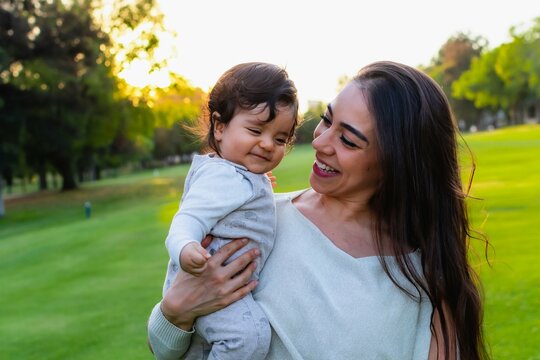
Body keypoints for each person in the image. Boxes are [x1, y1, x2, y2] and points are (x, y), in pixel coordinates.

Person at [148, 61, 489, 359]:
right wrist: (175, 313)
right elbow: (166, 347)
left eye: (348, 140)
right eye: (327, 121)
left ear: (396, 162)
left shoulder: (423, 280)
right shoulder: (254, 222)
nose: (320, 142)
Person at [156, 62, 299, 360]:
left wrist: (259, 188)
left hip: (219, 287)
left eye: (280, 139)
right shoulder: (224, 177)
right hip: (208, 278)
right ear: (220, 127)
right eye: (255, 130)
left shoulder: (238, 176)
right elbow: (187, 219)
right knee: (249, 336)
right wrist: (185, 248)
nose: (267, 144)